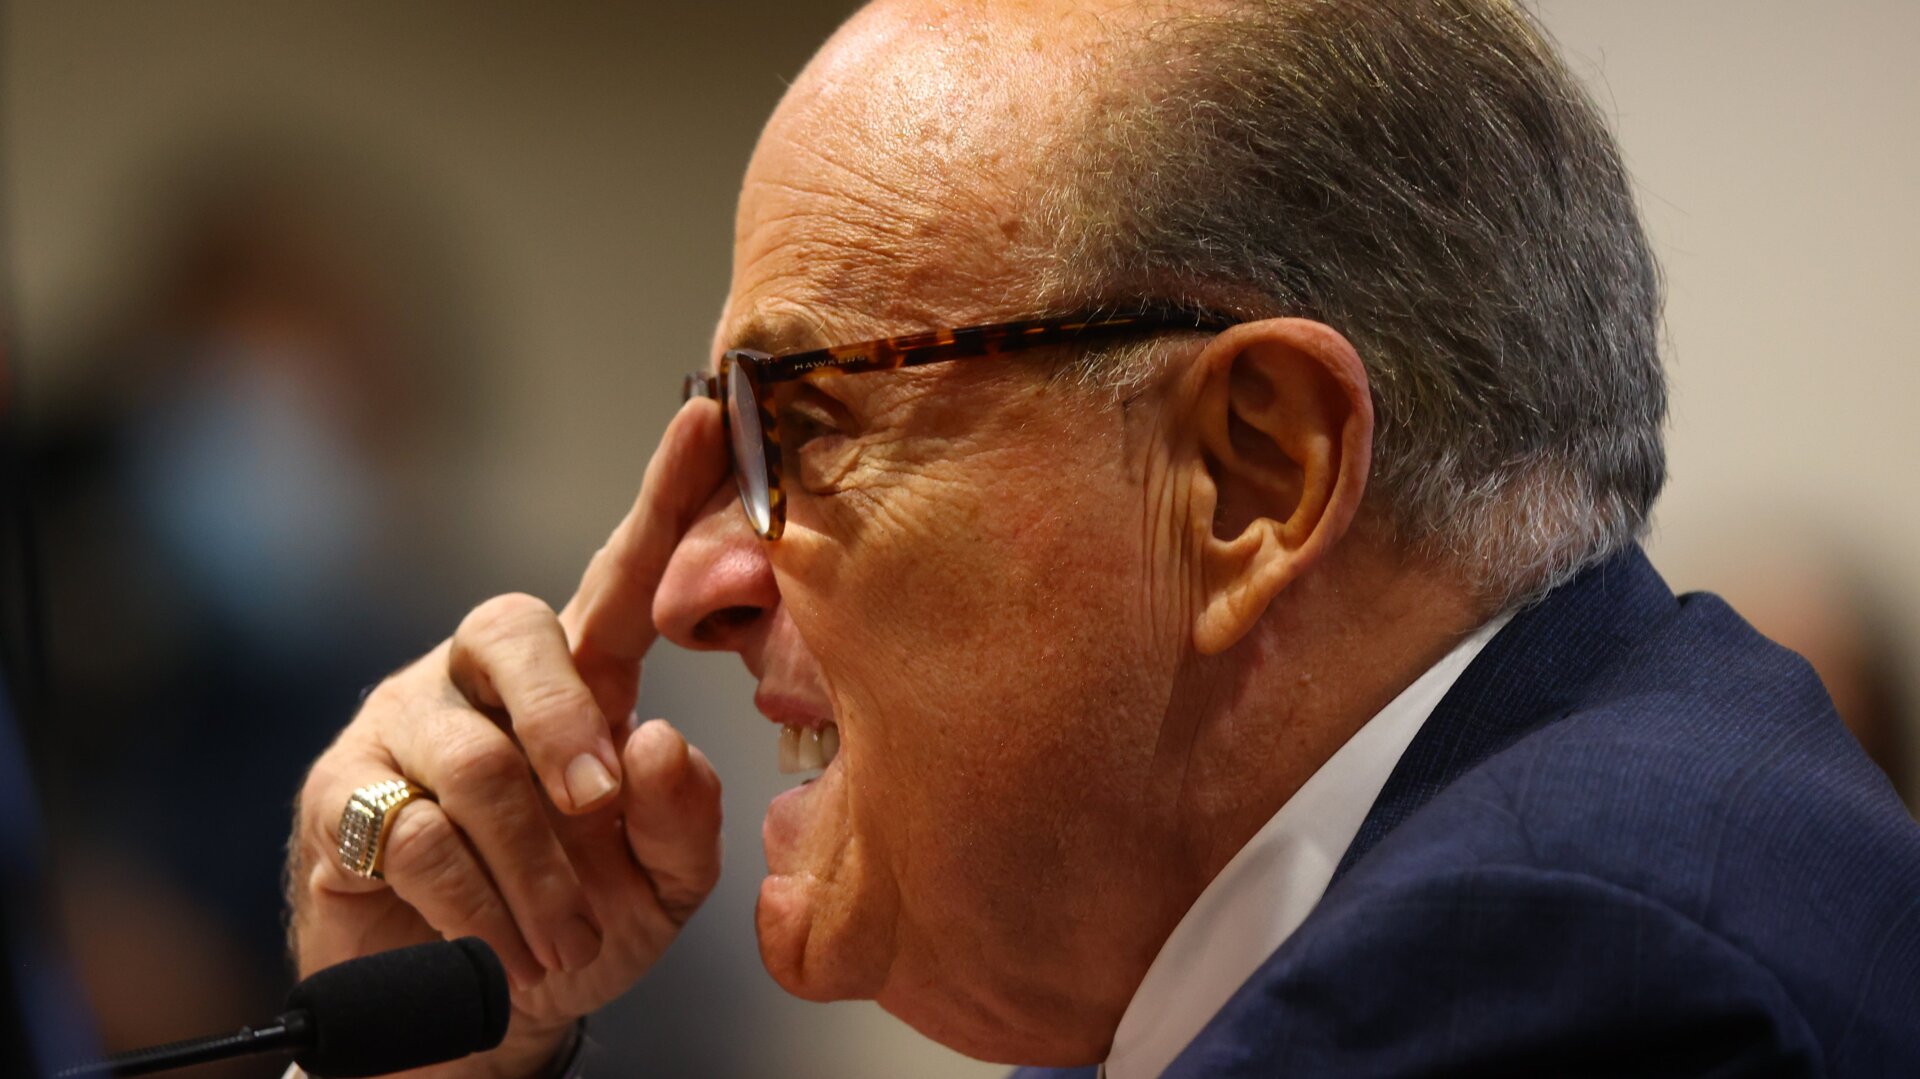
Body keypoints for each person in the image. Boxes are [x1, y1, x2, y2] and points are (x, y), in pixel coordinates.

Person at [284, 1, 1920, 1075]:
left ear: (1251, 477)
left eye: (806, 428)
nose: (693, 586)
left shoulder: (1551, 974)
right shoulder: (1380, 912)